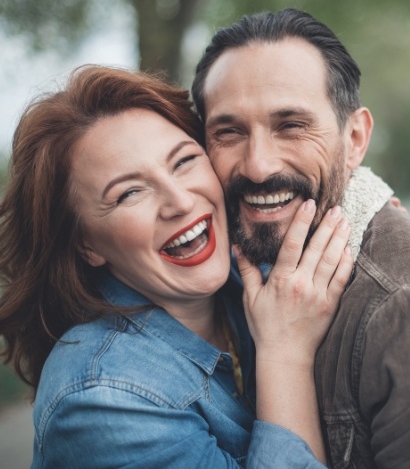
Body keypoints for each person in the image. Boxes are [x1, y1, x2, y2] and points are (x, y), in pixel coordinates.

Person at [0, 65, 354, 468]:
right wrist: (284, 353)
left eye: (183, 161)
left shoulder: (244, 273)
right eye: (129, 192)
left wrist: (368, 212)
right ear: (86, 244)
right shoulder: (103, 398)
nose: (181, 201)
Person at [191, 8, 410, 468]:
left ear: (354, 139)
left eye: (290, 126)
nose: (257, 165)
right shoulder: (232, 269)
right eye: (229, 132)